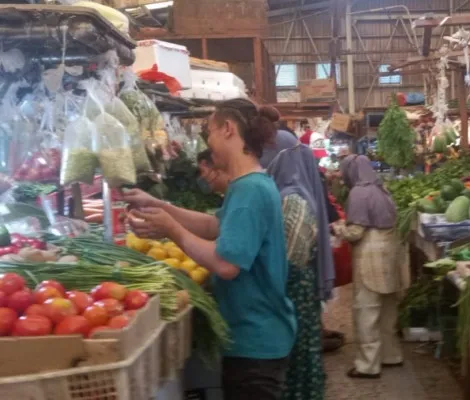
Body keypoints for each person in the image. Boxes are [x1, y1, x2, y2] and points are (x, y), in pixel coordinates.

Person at [124, 99, 296, 400]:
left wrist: (171, 230)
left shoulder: (250, 190)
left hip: (256, 339)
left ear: (228, 129)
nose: (209, 143)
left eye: (210, 132)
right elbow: (214, 227)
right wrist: (159, 206)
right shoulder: (249, 184)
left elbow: (226, 265)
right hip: (257, 333)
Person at [261, 125, 334, 400]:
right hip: (296, 296)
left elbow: (288, 260)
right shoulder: (290, 193)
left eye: (266, 153)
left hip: (294, 296)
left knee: (297, 365)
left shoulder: (292, 200)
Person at [333, 155, 410, 379]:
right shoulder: (382, 190)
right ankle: (391, 354)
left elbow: (356, 232)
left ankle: (368, 365)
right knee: (388, 308)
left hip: (371, 253)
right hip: (391, 250)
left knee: (367, 310)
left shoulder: (358, 192)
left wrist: (338, 229)